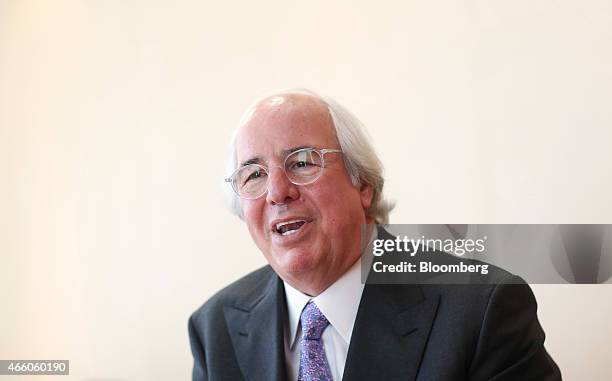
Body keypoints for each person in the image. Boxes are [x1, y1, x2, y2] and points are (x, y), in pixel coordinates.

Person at [188, 89, 562, 380]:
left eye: (302, 162)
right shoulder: (215, 326)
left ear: (362, 183)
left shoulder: (482, 310)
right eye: (254, 175)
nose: (277, 192)